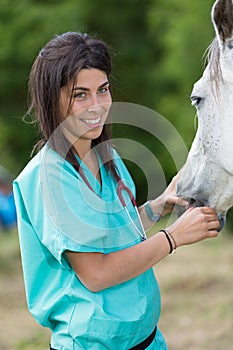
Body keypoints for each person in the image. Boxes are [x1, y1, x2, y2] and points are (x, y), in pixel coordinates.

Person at [13, 32, 220, 350]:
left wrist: (158, 205)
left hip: (148, 339)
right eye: (80, 95)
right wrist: (173, 237)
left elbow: (111, 234)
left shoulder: (106, 158)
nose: (96, 106)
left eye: (103, 90)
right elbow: (97, 273)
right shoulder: (48, 178)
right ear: (51, 97)